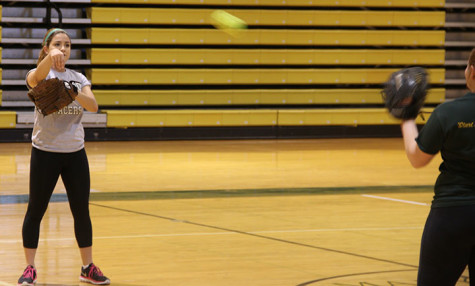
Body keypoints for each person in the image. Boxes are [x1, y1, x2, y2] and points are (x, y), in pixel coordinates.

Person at [17, 28, 110, 285]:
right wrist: (51, 58)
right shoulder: (38, 74)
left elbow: (92, 105)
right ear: (46, 48)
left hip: (75, 154)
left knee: (81, 211)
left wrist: (71, 92)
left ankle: (87, 267)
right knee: (36, 210)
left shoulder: (77, 77)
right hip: (45, 153)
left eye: (67, 44)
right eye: (58, 44)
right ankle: (29, 268)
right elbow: (36, 78)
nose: (64, 48)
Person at [401, 48, 475, 285]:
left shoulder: (448, 112)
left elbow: (417, 158)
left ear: (471, 71)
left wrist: (407, 116)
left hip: (453, 213)